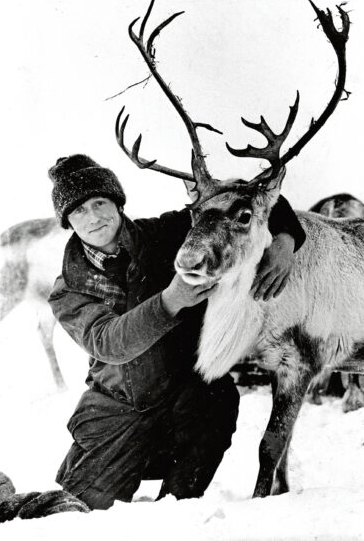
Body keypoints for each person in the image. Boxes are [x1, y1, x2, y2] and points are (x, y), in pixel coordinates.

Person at [47, 153, 306, 511]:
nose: (92, 217)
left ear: (117, 203)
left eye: (99, 202)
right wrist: (170, 300)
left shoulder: (164, 234)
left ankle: (176, 510)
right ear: (68, 222)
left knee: (215, 398)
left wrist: (286, 239)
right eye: (78, 211)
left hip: (183, 400)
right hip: (116, 410)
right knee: (77, 514)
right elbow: (109, 342)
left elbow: (240, 202)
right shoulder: (69, 290)